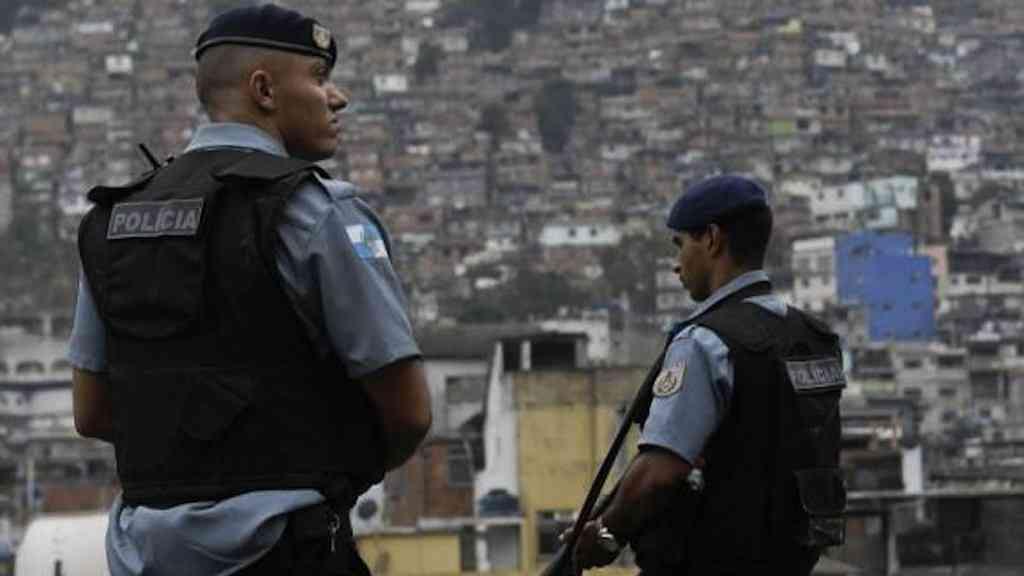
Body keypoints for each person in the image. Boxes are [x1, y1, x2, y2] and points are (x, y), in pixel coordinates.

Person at [68, 4, 432, 575]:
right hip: (286, 550)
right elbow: (409, 412)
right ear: (264, 90)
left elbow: (92, 413)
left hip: (145, 556)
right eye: (319, 77)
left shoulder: (113, 220)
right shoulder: (315, 212)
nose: (337, 98)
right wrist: (319, 471)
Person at [572, 175, 846, 575]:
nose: (676, 263)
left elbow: (660, 471)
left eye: (681, 244)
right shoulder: (812, 337)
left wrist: (604, 535)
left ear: (712, 239)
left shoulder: (705, 343)